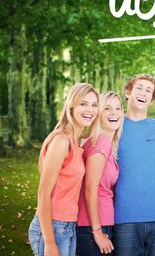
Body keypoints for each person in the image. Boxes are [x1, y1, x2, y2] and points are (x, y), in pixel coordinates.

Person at [28, 83, 99, 256]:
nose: (89, 109)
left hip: (68, 225)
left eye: (94, 105)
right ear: (72, 106)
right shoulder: (61, 141)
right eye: (83, 103)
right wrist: (50, 243)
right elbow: (43, 194)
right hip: (52, 227)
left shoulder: (76, 143)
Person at [113, 74, 155, 256]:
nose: (143, 93)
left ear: (152, 100)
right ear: (127, 92)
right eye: (139, 88)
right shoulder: (114, 125)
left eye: (149, 90)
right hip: (125, 217)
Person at [76, 91, 124, 255]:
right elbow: (90, 189)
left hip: (100, 223)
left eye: (118, 108)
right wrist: (97, 232)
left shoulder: (105, 143)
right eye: (107, 108)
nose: (114, 113)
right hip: (93, 227)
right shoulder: (101, 142)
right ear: (98, 114)